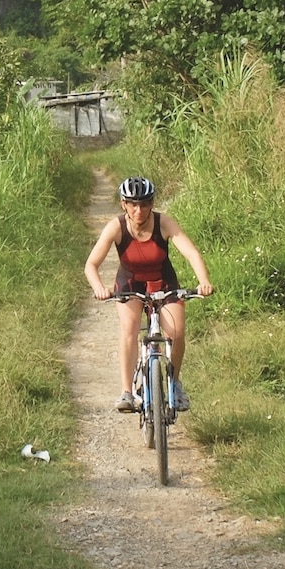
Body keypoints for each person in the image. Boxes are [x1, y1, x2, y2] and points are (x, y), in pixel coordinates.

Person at [84, 176, 213, 413]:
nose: (138, 210)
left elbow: (191, 253)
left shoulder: (164, 223)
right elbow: (91, 264)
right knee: (130, 328)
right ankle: (126, 392)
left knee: (176, 331)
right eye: (132, 204)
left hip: (163, 282)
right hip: (130, 285)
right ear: (123, 204)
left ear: (152, 203)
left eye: (144, 204)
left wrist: (203, 281)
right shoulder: (116, 226)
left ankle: (174, 384)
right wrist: (99, 288)